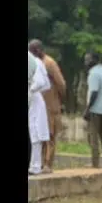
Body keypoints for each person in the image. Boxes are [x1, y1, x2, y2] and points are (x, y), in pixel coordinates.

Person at [29, 39, 67, 172]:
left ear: (38, 50)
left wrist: (58, 100)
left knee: (49, 135)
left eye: (32, 51)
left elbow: (61, 84)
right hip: (38, 103)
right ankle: (38, 163)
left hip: (50, 105)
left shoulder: (49, 63)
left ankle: (47, 164)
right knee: (38, 134)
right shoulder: (35, 63)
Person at [83, 52, 102, 168]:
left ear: (94, 60)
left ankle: (95, 163)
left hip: (95, 110)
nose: (85, 63)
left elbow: (94, 93)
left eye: (87, 60)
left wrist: (87, 109)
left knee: (93, 137)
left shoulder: (93, 74)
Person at [29, 53, 51, 175]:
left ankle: (35, 166)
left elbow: (42, 82)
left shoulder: (33, 62)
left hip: (33, 100)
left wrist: (30, 90)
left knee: (35, 132)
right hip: (33, 98)